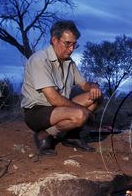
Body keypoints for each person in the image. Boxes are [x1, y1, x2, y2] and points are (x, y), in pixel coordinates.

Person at [21, 20, 102, 156]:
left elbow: (84, 84)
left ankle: (71, 137)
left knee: (96, 97)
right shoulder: (39, 60)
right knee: (80, 114)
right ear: (54, 40)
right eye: (67, 44)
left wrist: (93, 87)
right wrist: (82, 110)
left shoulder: (69, 62)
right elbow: (54, 99)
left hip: (58, 109)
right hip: (37, 111)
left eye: (74, 45)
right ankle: (43, 134)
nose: (71, 49)